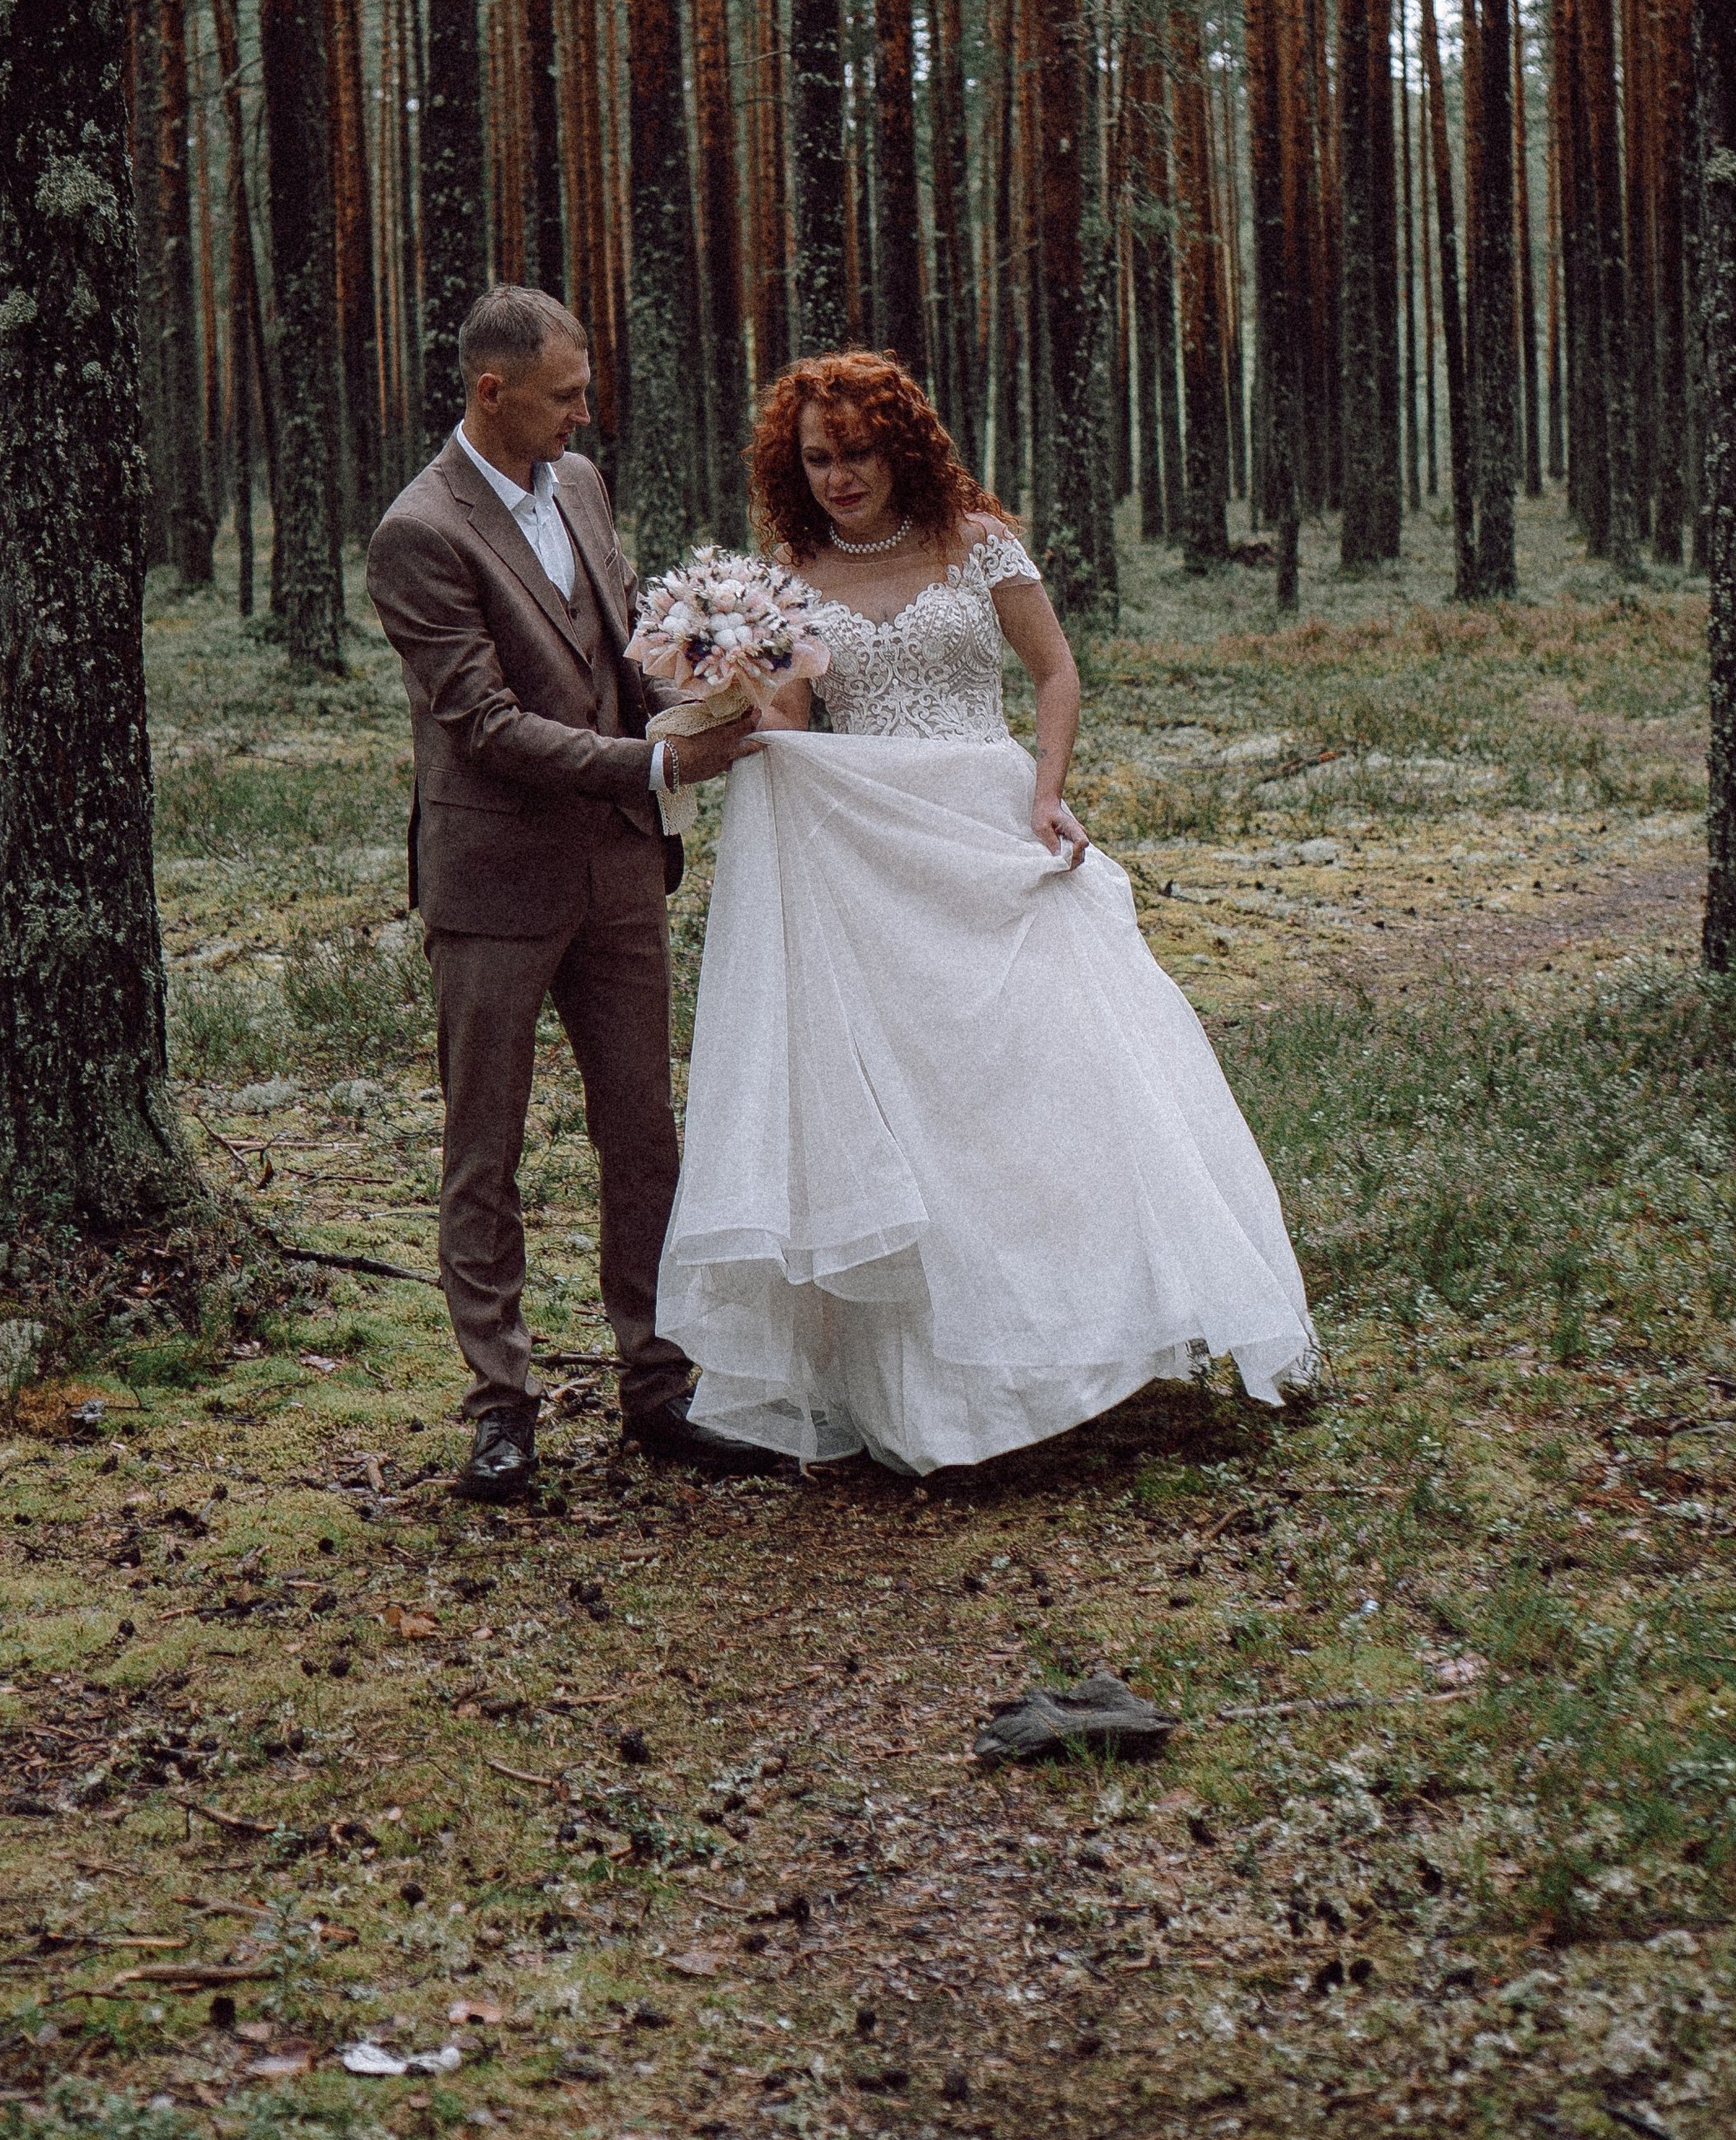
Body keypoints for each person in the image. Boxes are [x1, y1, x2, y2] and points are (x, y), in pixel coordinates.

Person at [658, 350, 1316, 1475]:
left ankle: (1082, 1339)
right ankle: (934, 1391)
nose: (838, 477)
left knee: (1051, 1084)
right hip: (874, 859)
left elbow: (1055, 672)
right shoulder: (791, 574)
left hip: (992, 826)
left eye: (857, 452)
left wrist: (1048, 790)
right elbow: (803, 736)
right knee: (914, 1105)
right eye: (816, 458)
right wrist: (734, 690)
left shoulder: (976, 542)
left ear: (899, 443)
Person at [364, 285, 773, 1500]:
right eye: (563, 396)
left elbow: (618, 655)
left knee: (643, 1134)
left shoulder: (581, 486)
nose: (585, 414)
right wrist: (653, 763)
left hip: (618, 868)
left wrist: (712, 690)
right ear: (493, 394)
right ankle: (502, 1407)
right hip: (493, 880)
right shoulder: (418, 533)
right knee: (481, 1151)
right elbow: (483, 725)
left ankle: (661, 1382)